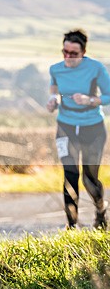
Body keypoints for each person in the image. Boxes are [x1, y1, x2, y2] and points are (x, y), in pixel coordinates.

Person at [47, 29, 110, 229]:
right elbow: (55, 89)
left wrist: (90, 100)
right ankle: (72, 225)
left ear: (83, 52)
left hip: (92, 128)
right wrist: (54, 100)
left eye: (73, 53)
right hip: (65, 126)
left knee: (89, 178)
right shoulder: (55, 69)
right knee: (69, 174)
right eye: (64, 52)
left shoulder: (96, 68)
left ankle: (100, 210)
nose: (68, 57)